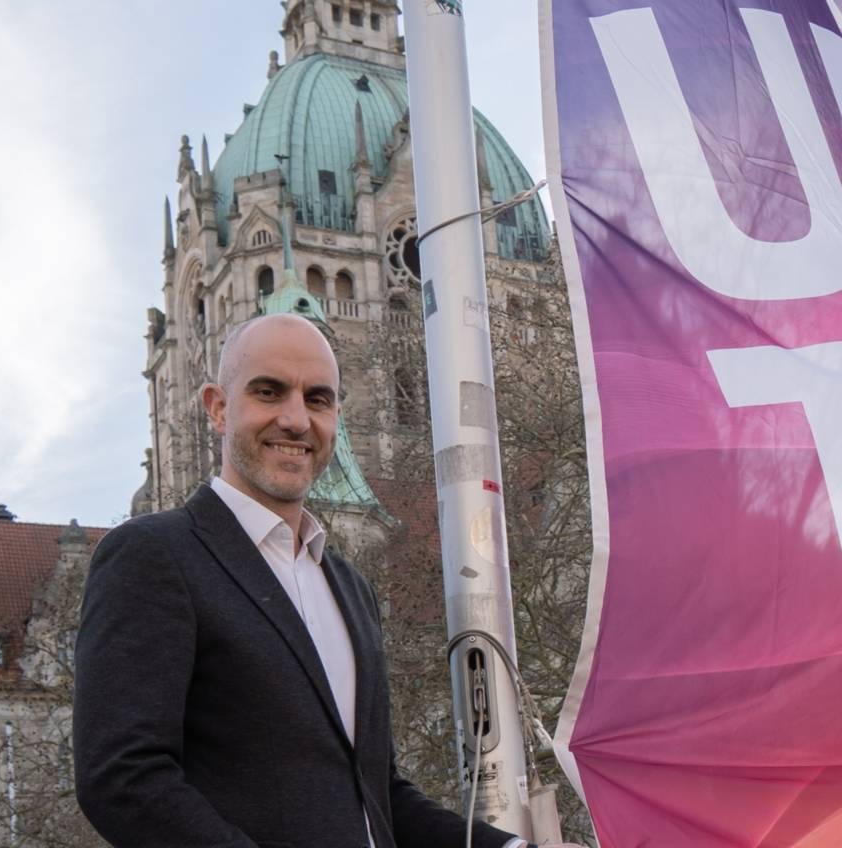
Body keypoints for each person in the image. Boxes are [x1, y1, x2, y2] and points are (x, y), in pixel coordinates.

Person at [74, 312, 582, 848]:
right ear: (217, 408)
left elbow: (379, 795)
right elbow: (122, 778)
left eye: (317, 399)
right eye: (269, 392)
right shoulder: (154, 553)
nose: (296, 420)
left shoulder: (349, 586)